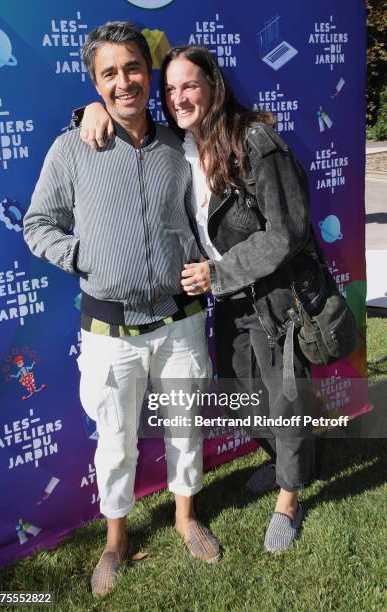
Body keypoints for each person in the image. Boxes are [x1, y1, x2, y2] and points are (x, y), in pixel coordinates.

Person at [80, 43, 317, 554]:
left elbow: (289, 230)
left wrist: (220, 272)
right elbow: (122, 120)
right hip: (231, 299)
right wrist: (88, 110)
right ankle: (281, 463)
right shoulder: (181, 144)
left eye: (190, 84)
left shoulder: (255, 140)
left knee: (285, 396)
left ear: (213, 86)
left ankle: (290, 497)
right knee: (246, 396)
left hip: (273, 296)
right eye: (171, 88)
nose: (179, 96)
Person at [23, 24, 221, 598]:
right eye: (108, 73)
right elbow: (38, 226)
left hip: (180, 321)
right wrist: (84, 254)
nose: (124, 81)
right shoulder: (72, 148)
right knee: (115, 442)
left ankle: (186, 518)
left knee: (185, 426)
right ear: (95, 84)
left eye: (132, 67)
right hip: (110, 332)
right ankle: (115, 538)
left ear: (148, 71)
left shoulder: (177, 145)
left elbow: (204, 211)